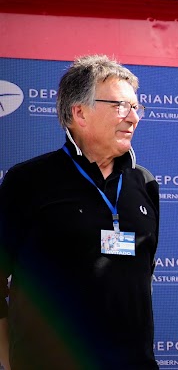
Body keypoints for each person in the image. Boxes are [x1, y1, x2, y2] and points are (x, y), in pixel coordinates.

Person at [0, 55, 160, 370]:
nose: (133, 117)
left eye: (136, 107)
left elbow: (142, 278)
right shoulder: (27, 181)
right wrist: (10, 359)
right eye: (119, 106)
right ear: (80, 113)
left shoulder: (145, 183)